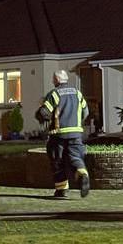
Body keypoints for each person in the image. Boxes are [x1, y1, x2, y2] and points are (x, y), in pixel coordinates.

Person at [36, 70, 91, 198]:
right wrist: (77, 124)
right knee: (76, 158)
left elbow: (44, 113)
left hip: (58, 135)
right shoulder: (77, 93)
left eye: (53, 79)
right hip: (76, 134)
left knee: (57, 161)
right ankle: (83, 175)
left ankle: (62, 190)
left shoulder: (54, 94)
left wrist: (40, 113)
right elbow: (86, 112)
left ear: (56, 80)